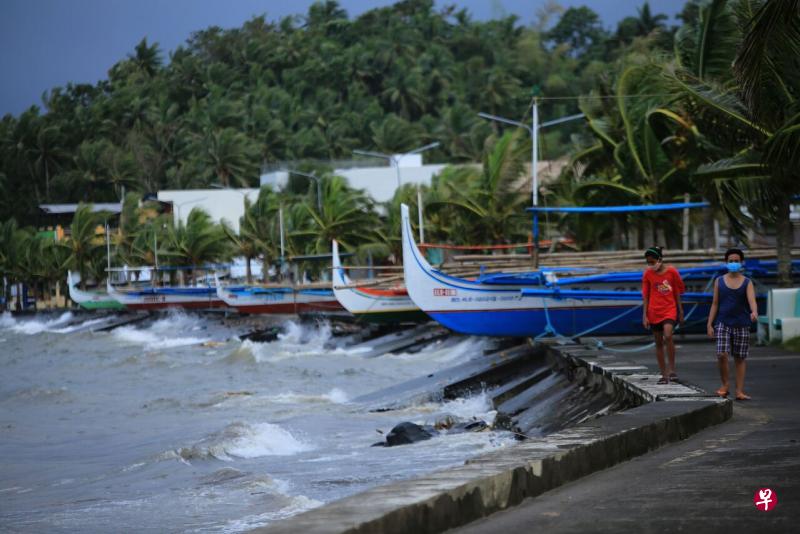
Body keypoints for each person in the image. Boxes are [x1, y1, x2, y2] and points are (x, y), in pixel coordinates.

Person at [707, 248, 758, 400]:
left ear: (742, 263)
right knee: (722, 354)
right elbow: (715, 303)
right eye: (731, 261)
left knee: (740, 358)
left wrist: (754, 312)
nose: (733, 263)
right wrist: (710, 323)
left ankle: (739, 391)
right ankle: (725, 385)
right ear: (726, 262)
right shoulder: (719, 281)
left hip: (742, 324)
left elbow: (752, 301)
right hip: (723, 323)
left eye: (736, 261)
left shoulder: (747, 282)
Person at [642, 246, 685, 384]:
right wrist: (645, 315)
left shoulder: (672, 272)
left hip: (669, 309)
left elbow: (678, 291)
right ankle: (664, 373)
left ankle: (672, 369)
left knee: (668, 335)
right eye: (648, 262)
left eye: (653, 262)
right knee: (658, 342)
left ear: (660, 259)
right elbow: (646, 296)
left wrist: (680, 310)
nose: (651, 265)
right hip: (654, 311)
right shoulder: (648, 274)